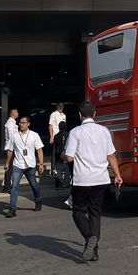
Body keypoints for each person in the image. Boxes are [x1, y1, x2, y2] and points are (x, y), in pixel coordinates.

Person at [63, 100, 123, 262]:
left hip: (82, 180)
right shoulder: (104, 131)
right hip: (101, 179)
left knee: (78, 212)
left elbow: (69, 157)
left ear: (79, 115)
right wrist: (117, 175)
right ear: (95, 114)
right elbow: (111, 155)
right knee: (95, 214)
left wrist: (62, 156)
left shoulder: (76, 132)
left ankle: (89, 237)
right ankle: (94, 251)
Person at [4, 115, 44, 217]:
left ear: (28, 124)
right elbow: (10, 150)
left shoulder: (34, 135)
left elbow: (39, 150)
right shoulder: (14, 136)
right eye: (20, 123)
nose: (21, 124)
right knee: (14, 186)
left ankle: (38, 201)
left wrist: (41, 164)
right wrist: (7, 163)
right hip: (18, 164)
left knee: (34, 185)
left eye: (23, 123)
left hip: (30, 165)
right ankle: (12, 209)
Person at [1, 108, 19, 193]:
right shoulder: (10, 123)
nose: (18, 113)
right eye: (16, 112)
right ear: (12, 113)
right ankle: (7, 186)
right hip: (10, 148)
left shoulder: (13, 123)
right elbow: (12, 137)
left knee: (11, 167)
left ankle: (7, 185)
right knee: (9, 168)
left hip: (11, 147)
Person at [53, 120, 71, 188]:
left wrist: (53, 162)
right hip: (67, 155)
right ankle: (66, 183)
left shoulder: (56, 136)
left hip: (59, 155)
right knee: (67, 170)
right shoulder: (69, 134)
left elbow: (54, 149)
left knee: (59, 170)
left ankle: (60, 182)